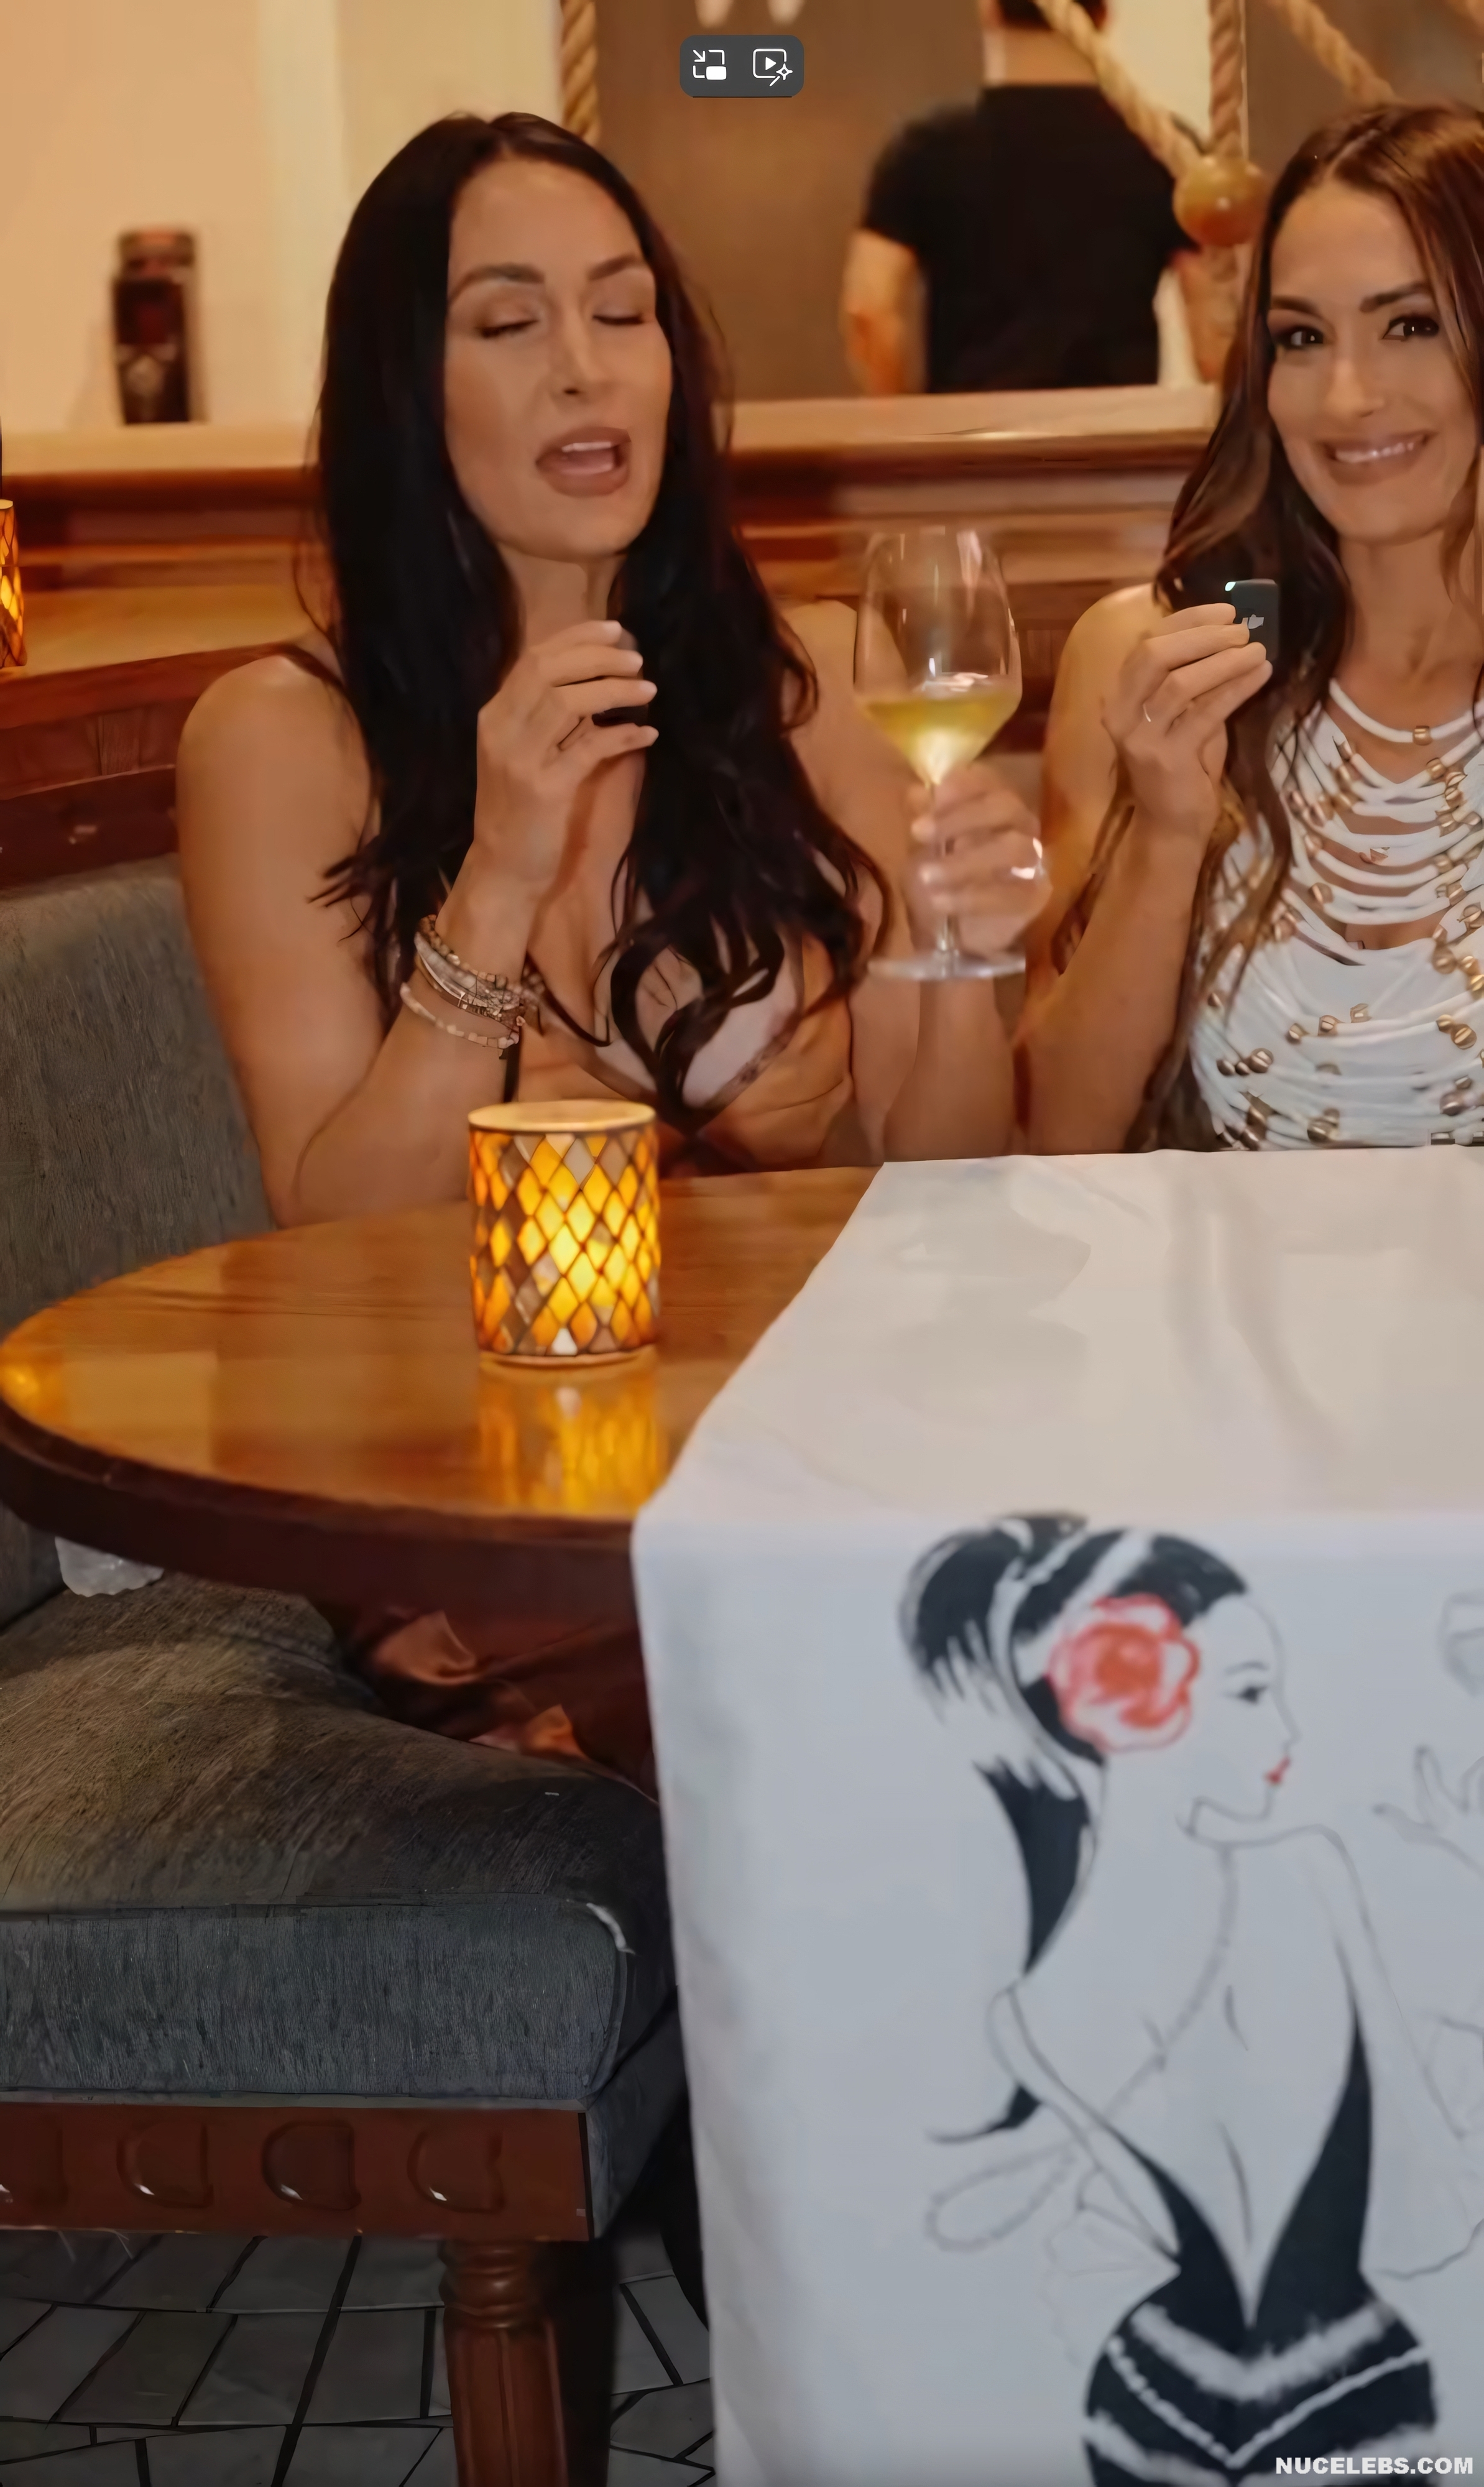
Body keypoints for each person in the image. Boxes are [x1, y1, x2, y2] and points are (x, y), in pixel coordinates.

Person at [175, 111, 1046, 1780]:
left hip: (813, 1441)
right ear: (405, 390)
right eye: (509, 322)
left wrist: (963, 959)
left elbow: (933, 1179)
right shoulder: (283, 739)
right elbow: (338, 1232)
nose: (586, 367)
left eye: (623, 309)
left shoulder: (802, 683)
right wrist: (498, 876)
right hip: (480, 1510)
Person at [903, 1513, 1484, 2483]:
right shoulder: (1304, 1874)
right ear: (1132, 1708)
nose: (1286, 1729)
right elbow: (1430, 2209)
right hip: (1348, 2387)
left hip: (1151, 2393)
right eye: (1250, 1691)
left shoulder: (1025, 2016)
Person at [1022, 102, 1484, 1154]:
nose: (1346, 396)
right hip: (1211, 1265)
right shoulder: (1150, 657)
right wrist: (1167, 835)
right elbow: (1058, 1135)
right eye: (1301, 338)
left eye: (1409, 324)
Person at [842, 0, 1213, 397]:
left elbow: (869, 310)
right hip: (1114, 429)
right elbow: (1216, 328)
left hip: (971, 431)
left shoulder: (925, 150)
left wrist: (907, 422)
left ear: (989, 10)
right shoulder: (1167, 150)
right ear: (1104, 14)